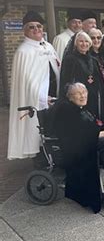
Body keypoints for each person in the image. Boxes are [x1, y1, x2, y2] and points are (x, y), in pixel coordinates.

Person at [54, 83, 104, 213]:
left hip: (85, 142)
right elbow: (79, 135)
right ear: (70, 97)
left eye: (84, 92)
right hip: (75, 148)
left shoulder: (81, 108)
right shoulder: (68, 111)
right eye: (78, 93)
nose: (83, 95)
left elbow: (92, 127)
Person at [8, 11, 60, 160]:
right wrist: (43, 97)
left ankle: (54, 156)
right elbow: (27, 80)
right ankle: (41, 160)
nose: (36, 29)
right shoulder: (23, 52)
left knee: (52, 128)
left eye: (39, 26)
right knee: (38, 129)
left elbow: (57, 66)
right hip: (37, 99)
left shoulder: (48, 46)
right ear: (25, 30)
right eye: (31, 27)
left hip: (54, 93)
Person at [60, 31, 104, 122]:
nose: (84, 44)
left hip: (93, 95)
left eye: (86, 41)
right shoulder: (70, 59)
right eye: (81, 41)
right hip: (78, 97)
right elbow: (67, 81)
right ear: (75, 43)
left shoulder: (93, 60)